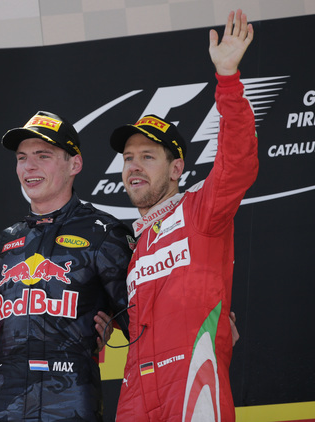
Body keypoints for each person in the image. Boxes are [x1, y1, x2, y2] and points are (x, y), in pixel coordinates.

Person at [110, 10, 257, 421]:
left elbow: (238, 164)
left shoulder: (201, 210)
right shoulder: (134, 245)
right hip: (136, 388)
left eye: (148, 157)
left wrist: (227, 79)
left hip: (194, 376)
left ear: (176, 169)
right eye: (128, 158)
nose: (134, 166)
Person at [0, 111, 133, 421]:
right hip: (2, 405)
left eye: (43, 156)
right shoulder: (9, 238)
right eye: (22, 158)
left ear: (74, 164)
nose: (29, 166)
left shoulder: (104, 231)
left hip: (70, 404)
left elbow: (141, 319)